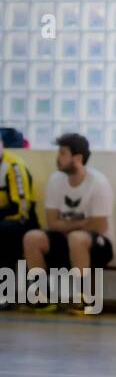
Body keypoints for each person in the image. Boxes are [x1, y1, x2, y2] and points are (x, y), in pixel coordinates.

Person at [23, 132, 115, 311]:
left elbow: (100, 226)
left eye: (63, 153)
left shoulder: (98, 183)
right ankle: (42, 296)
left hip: (100, 246)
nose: (58, 158)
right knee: (32, 237)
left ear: (78, 158)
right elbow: (51, 222)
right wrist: (82, 223)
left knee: (77, 238)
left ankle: (84, 298)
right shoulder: (55, 180)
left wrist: (67, 227)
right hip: (65, 241)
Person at [0, 133, 42, 311]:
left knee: (4, 232)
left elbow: (21, 210)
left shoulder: (13, 166)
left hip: (20, 223)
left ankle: (5, 294)